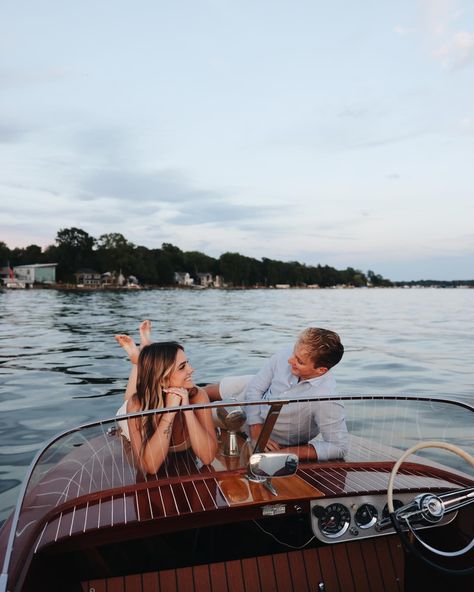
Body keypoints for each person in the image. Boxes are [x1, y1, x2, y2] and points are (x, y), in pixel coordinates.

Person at [205, 328, 348, 462]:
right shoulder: (287, 355)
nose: (289, 360)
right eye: (294, 353)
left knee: (199, 414)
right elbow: (255, 388)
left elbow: (338, 447)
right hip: (251, 391)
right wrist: (257, 433)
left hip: (244, 418)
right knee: (201, 393)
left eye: (299, 361)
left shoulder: (327, 399)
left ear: (321, 370)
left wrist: (286, 452)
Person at [115, 320, 217, 474]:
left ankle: (141, 355)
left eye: (187, 363)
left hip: (156, 389)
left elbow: (208, 457)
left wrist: (187, 408)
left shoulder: (198, 396)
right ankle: (137, 361)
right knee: (130, 398)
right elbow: (150, 467)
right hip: (132, 411)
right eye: (182, 367)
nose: (192, 369)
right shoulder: (136, 406)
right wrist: (170, 412)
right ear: (162, 378)